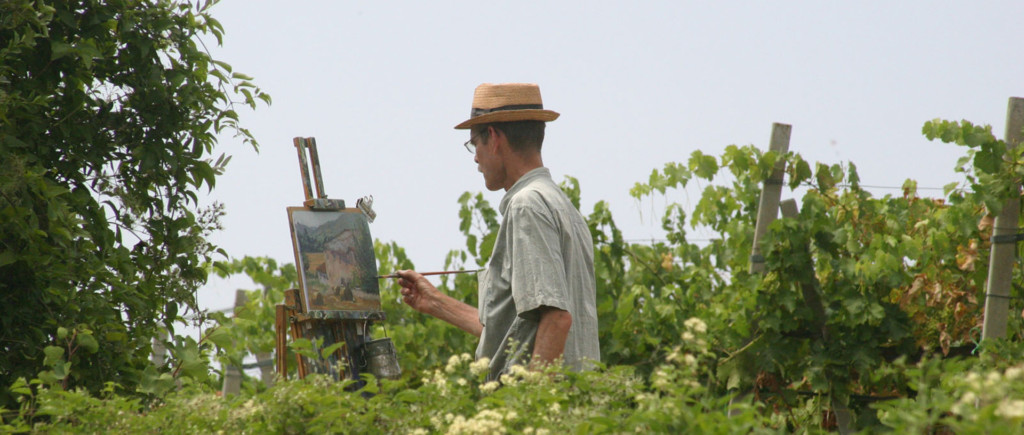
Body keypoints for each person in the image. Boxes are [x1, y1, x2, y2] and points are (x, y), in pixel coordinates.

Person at [396, 83, 600, 381]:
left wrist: (531, 408)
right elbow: (516, 334)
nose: (475, 158)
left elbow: (556, 319)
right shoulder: (562, 206)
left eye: (474, 144)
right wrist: (435, 302)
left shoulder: (526, 206)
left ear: (493, 138)